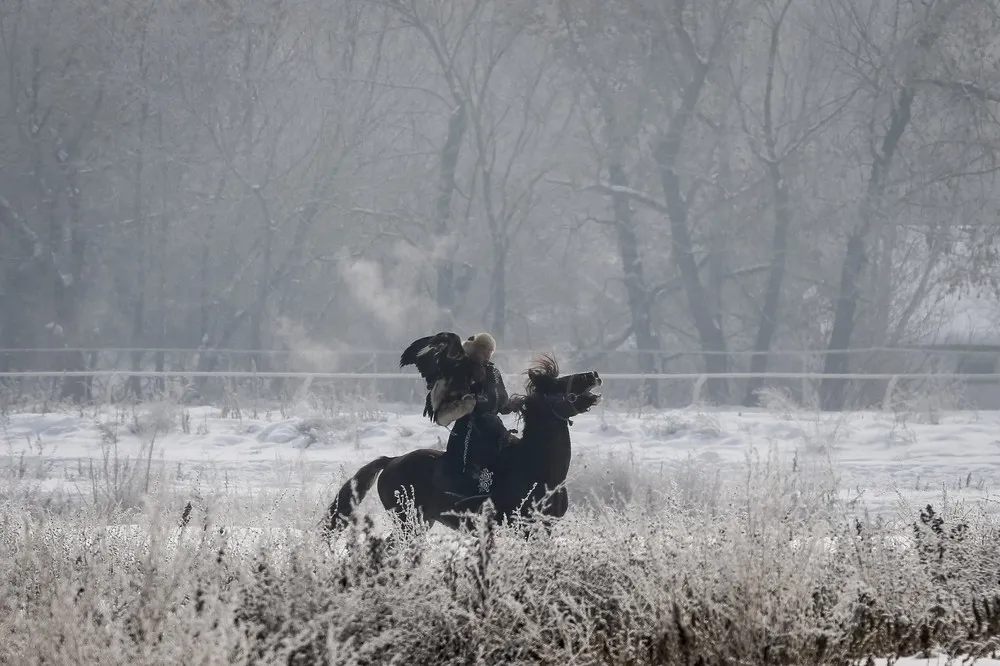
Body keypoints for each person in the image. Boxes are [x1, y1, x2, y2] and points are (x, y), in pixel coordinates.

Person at [444, 332, 524, 495]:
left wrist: (512, 405)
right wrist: (476, 400)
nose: (487, 355)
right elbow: (456, 396)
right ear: (475, 350)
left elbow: (502, 403)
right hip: (471, 426)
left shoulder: (494, 372)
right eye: (484, 351)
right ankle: (470, 490)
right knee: (477, 456)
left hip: (494, 426)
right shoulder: (463, 370)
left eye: (490, 352)